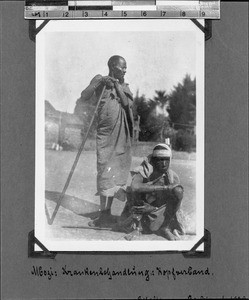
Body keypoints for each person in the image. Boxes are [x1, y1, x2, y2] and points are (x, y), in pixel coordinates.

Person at [74, 55, 134, 227]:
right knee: (104, 170)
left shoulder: (124, 86)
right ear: (113, 66)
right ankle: (104, 214)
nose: (125, 70)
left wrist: (115, 85)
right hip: (105, 134)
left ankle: (110, 214)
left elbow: (125, 102)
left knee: (116, 171)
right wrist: (99, 83)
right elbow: (85, 95)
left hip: (121, 134)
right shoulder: (99, 79)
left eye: (125, 67)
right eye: (123, 67)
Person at [119, 143, 185, 240]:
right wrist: (165, 188)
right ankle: (137, 228)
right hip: (140, 212)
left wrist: (152, 208)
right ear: (154, 160)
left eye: (166, 159)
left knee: (178, 191)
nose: (164, 164)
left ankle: (165, 228)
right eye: (160, 160)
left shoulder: (172, 176)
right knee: (136, 191)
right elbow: (135, 187)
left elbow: (175, 203)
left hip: (158, 212)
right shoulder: (144, 170)